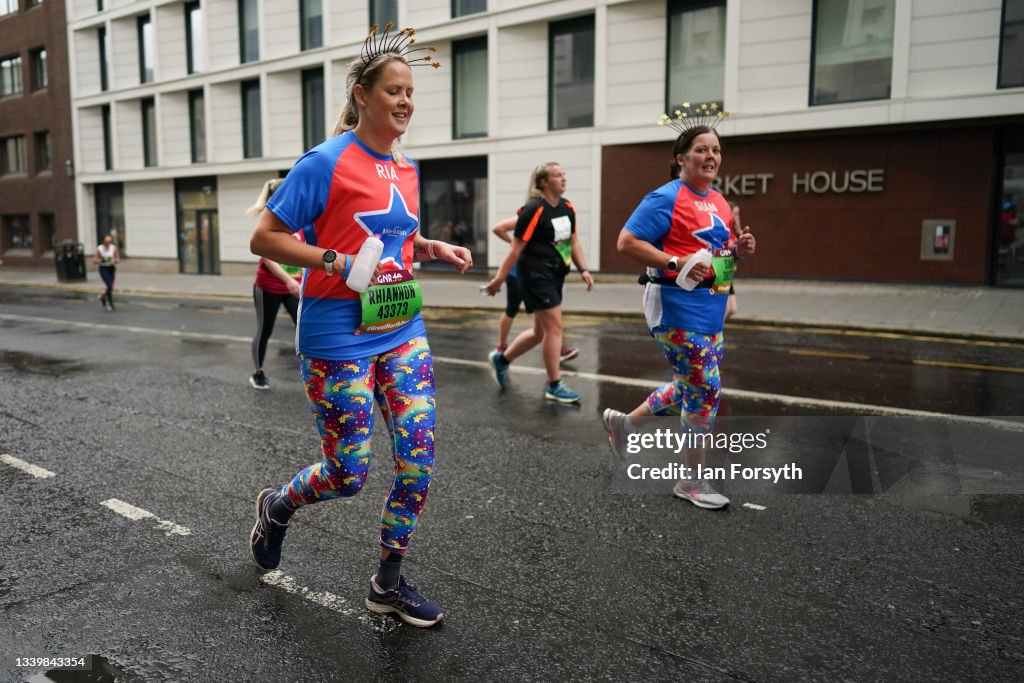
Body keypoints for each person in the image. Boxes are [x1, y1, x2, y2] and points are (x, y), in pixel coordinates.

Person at [247, 24, 471, 628]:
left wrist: (432, 247)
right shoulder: (324, 162)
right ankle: (278, 506)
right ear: (362, 94)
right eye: (394, 90)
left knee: (418, 460)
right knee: (348, 473)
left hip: (400, 326)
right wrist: (335, 262)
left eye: (410, 93)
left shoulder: (407, 167)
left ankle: (388, 583)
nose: (405, 102)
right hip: (336, 337)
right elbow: (263, 237)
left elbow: (394, 241)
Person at [602, 105, 756, 510]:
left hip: (710, 309)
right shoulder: (665, 197)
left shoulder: (720, 202)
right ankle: (691, 482)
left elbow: (719, 260)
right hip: (672, 306)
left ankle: (624, 424)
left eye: (716, 151)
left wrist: (737, 253)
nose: (711, 157)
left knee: (691, 384)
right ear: (681, 158)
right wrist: (674, 262)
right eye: (702, 150)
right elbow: (626, 242)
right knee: (705, 389)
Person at [483, 163, 594, 403]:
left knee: (539, 332)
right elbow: (515, 249)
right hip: (534, 275)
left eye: (564, 174)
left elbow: (573, 241)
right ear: (543, 182)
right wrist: (499, 279)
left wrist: (583, 268)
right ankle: (554, 385)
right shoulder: (533, 209)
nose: (563, 179)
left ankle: (501, 360)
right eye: (557, 175)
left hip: (555, 274)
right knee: (555, 327)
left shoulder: (567, 207)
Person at [491, 216, 579, 363]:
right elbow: (498, 228)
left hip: (540, 275)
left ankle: (557, 350)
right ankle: (501, 347)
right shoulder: (529, 215)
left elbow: (567, 242)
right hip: (517, 272)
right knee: (512, 309)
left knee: (546, 315)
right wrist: (512, 242)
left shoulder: (553, 216)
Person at [246, 178, 303, 390]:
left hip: (293, 286)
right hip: (268, 286)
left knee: (303, 327)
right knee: (265, 329)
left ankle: (311, 367)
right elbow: (267, 256)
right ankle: (258, 372)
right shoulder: (269, 219)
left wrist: (302, 278)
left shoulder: (298, 219)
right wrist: (288, 280)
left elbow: (302, 251)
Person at [93, 234, 120, 311]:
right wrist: (103, 260)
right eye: (107, 241)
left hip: (111, 268)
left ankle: (103, 297)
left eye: (110, 241)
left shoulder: (113, 248)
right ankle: (111, 304)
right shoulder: (100, 248)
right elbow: (94, 260)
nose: (109, 243)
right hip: (103, 269)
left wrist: (115, 261)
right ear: (103, 241)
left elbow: (118, 258)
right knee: (109, 285)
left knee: (110, 287)